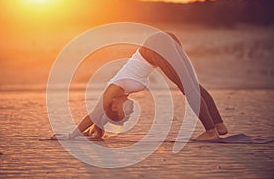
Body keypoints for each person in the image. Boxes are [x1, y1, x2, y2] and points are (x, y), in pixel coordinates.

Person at [51, 31, 228, 141]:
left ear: (113, 105)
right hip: (164, 42)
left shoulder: (113, 88)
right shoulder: (124, 92)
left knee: (187, 87)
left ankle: (210, 131)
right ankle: (219, 125)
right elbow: (99, 121)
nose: (130, 113)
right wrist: (95, 131)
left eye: (123, 113)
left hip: (156, 46)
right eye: (128, 116)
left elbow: (94, 115)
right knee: (192, 85)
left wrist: (70, 136)